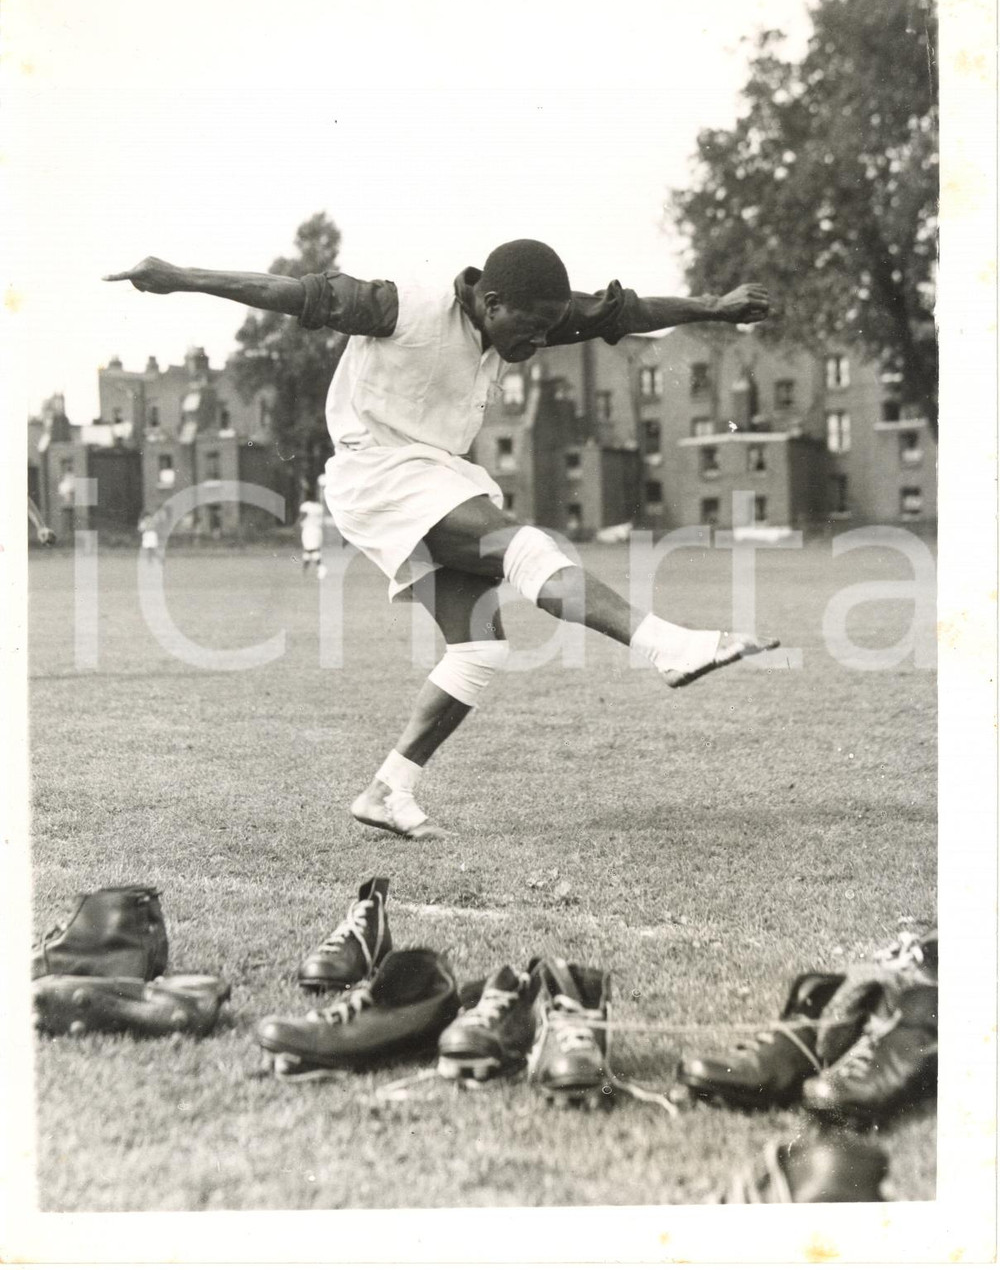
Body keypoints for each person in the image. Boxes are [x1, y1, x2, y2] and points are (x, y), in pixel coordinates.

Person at [106, 241, 778, 840]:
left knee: (479, 644)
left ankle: (387, 789)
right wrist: (179, 276)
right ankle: (667, 644)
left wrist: (714, 309)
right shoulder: (403, 306)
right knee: (521, 545)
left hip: (433, 475)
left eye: (549, 330)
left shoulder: (520, 314)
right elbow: (295, 293)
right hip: (378, 469)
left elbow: (619, 313)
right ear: (489, 301)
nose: (539, 342)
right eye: (531, 328)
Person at [297, 491, 325, 575]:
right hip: (318, 529)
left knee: (311, 550)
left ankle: (320, 567)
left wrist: (297, 524)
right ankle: (304, 570)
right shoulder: (319, 507)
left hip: (309, 529)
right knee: (309, 550)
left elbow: (302, 517)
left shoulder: (306, 506)